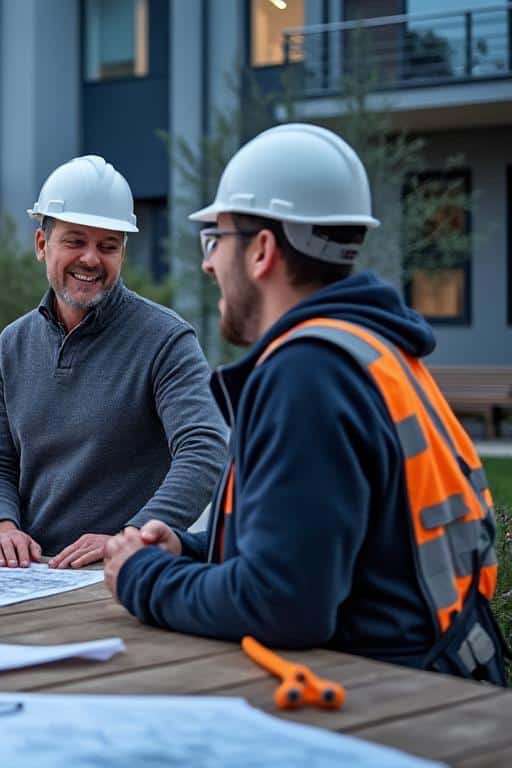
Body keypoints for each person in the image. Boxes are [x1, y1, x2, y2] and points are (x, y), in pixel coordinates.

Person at [105, 123, 508, 683]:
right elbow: (317, 546)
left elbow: (282, 603)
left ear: (262, 251)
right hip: (435, 677)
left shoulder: (306, 375)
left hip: (394, 701)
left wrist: (141, 577)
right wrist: (190, 550)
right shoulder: (366, 349)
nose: (208, 263)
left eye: (215, 239)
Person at [0, 155, 227, 569]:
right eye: (75, 241)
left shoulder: (165, 339)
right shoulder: (13, 344)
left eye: (108, 246)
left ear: (122, 252)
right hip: (28, 573)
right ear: (42, 245)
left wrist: (131, 537)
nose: (91, 258)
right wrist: (2, 528)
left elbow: (205, 450)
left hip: (120, 575)